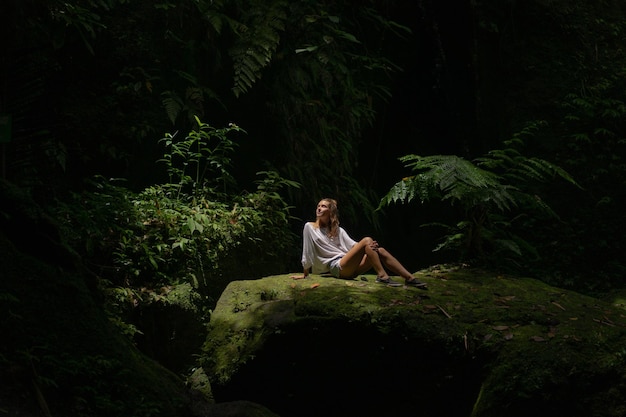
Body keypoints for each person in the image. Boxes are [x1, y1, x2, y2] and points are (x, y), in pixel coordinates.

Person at [290, 198, 427, 288]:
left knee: (380, 250)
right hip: (336, 267)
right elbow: (307, 251)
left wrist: (371, 246)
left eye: (323, 206)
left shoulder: (338, 230)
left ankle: (410, 278)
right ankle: (382, 276)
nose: (319, 208)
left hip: (349, 267)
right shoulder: (310, 227)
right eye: (318, 206)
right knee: (367, 240)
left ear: (330, 211)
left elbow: (354, 246)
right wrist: (305, 273)